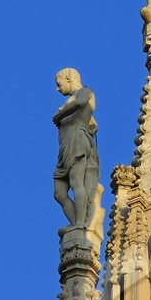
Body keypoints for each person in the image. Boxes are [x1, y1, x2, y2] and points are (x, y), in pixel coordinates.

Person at [52, 68, 99, 228]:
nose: (58, 89)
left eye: (59, 84)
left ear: (68, 78)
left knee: (76, 182)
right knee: (59, 193)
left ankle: (81, 224)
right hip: (65, 147)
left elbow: (81, 102)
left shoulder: (86, 91)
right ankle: (77, 224)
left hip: (76, 140)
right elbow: (94, 125)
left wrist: (60, 115)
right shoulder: (70, 100)